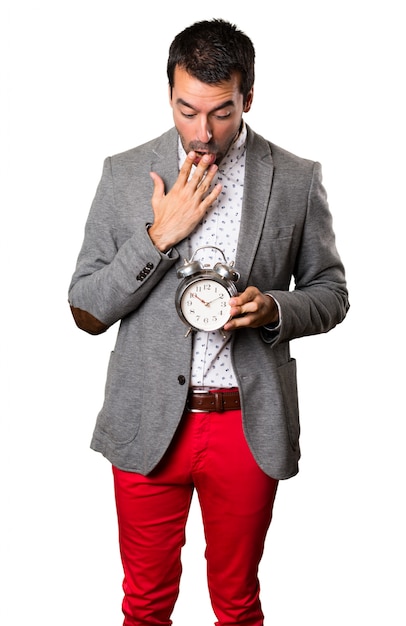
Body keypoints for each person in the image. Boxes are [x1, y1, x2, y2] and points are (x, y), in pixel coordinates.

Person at [68, 18, 349, 626]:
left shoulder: (296, 178)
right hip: (147, 420)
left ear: (248, 97)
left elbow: (332, 292)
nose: (201, 131)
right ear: (169, 93)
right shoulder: (123, 174)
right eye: (186, 110)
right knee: (144, 605)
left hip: (245, 426)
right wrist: (157, 237)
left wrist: (274, 308)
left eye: (220, 113)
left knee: (238, 605)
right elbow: (86, 309)